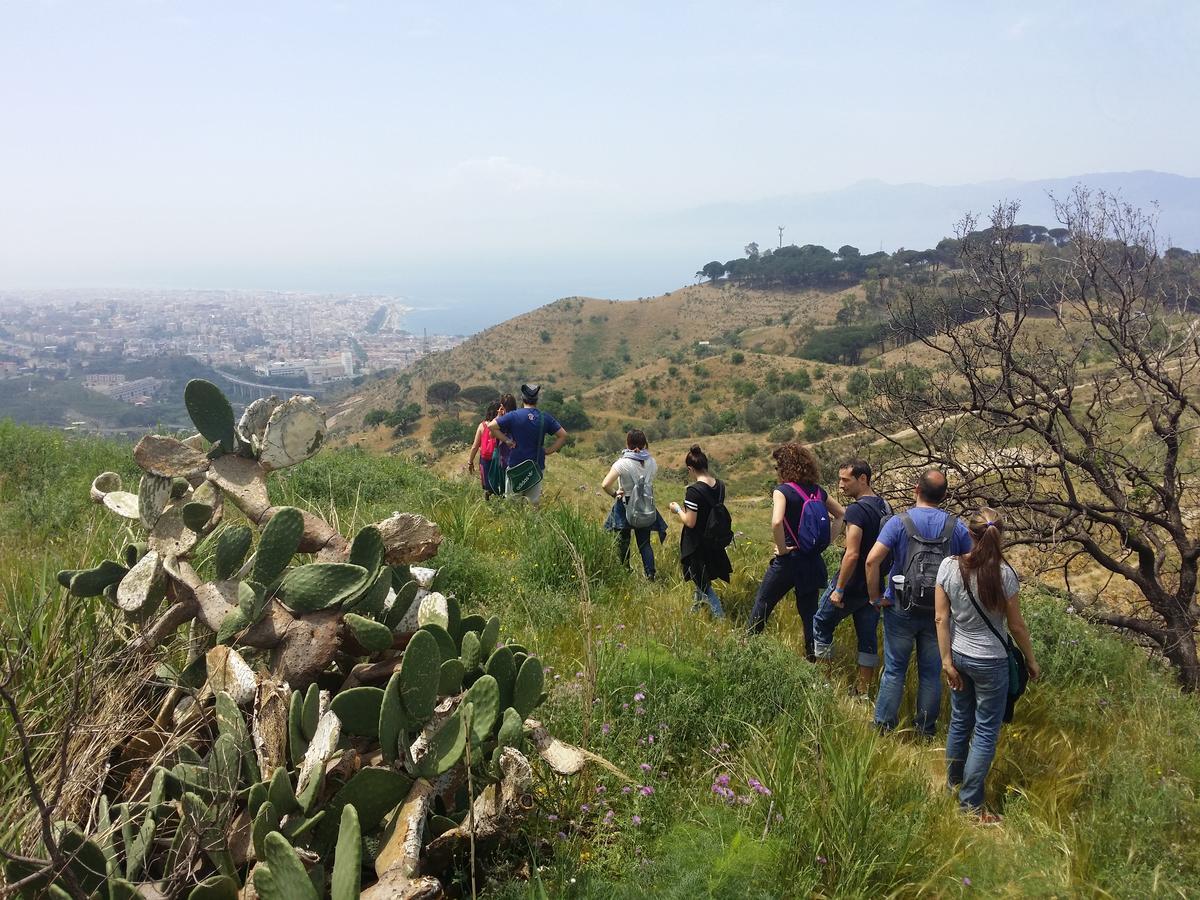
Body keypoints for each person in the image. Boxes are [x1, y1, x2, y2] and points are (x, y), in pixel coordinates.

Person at [935, 509, 1040, 819]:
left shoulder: (949, 567)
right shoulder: (1005, 574)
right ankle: (970, 804)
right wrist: (1031, 660)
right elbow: (1017, 626)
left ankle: (953, 786)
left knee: (959, 721)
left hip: (959, 655)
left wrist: (946, 661)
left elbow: (941, 617)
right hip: (992, 661)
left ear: (970, 534)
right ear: (1000, 536)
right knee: (984, 731)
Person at [865, 468, 971, 737]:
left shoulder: (899, 522)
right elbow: (971, 565)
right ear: (944, 495)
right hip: (940, 612)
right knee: (931, 672)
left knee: (894, 669)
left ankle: (883, 727)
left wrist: (875, 597)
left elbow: (872, 560)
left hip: (900, 606)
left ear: (916, 489)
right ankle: (925, 730)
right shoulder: (955, 527)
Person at [747, 443, 844, 660]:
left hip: (788, 561)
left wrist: (781, 550)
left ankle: (747, 650)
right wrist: (826, 542)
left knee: (763, 604)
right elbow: (841, 514)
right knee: (809, 614)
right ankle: (812, 658)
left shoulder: (782, 491)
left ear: (785, 467)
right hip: (811, 560)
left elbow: (776, 522)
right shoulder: (818, 491)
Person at [813, 459, 892, 696]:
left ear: (863, 479)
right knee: (867, 637)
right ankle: (863, 691)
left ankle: (823, 685)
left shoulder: (856, 510)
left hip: (852, 584)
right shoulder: (885, 506)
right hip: (874, 585)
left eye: (845, 480)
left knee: (821, 623)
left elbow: (852, 552)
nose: (840, 486)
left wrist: (839, 588)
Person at [667, 445, 729, 617]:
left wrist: (677, 509)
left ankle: (720, 617)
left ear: (690, 469)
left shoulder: (693, 491)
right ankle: (695, 610)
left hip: (697, 543)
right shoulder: (720, 486)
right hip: (713, 540)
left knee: (702, 582)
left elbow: (690, 522)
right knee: (701, 577)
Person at [488, 383, 567, 508]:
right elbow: (563, 435)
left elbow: (491, 426)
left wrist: (507, 440)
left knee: (512, 505)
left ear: (522, 399)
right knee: (533, 505)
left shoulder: (514, 416)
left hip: (516, 466)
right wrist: (548, 451)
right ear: (536, 399)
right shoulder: (544, 417)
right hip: (536, 467)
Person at [601, 429, 658, 580]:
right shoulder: (652, 462)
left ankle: (625, 571)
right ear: (645, 444)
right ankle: (650, 574)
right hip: (645, 505)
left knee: (623, 541)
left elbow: (605, 484)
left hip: (625, 504)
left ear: (627, 443)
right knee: (645, 543)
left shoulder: (622, 463)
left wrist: (615, 494)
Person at [467, 401, 502, 498]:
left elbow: (475, 446)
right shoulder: (501, 425)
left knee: (487, 485)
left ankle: (488, 503)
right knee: (499, 484)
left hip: (485, 459)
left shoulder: (482, 426)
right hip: (498, 458)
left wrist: (470, 462)